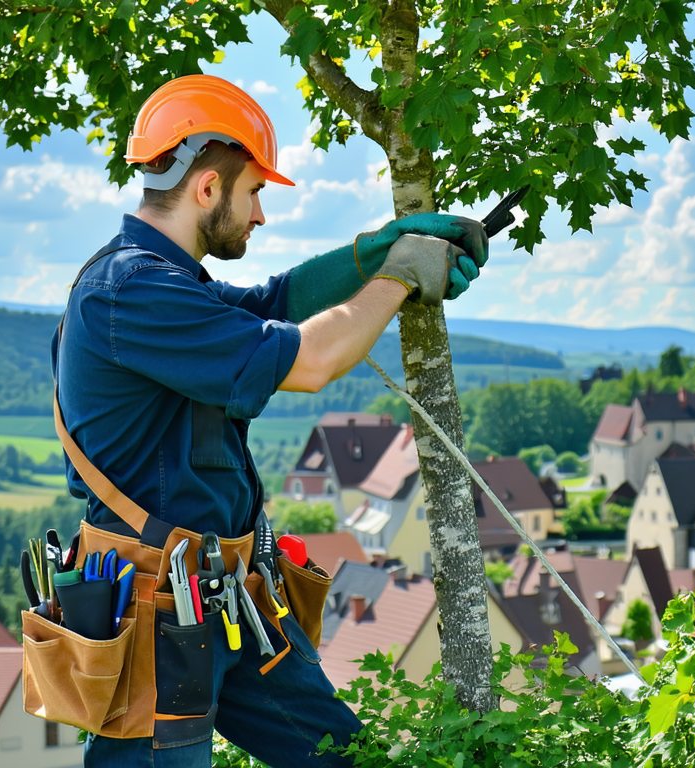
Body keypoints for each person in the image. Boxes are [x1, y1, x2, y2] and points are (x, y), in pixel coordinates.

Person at [52, 74, 487, 767]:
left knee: (344, 759)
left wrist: (380, 249)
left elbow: (275, 300)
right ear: (206, 188)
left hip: (227, 599)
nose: (260, 215)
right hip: (158, 615)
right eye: (253, 192)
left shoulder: (173, 284)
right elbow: (311, 359)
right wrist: (402, 275)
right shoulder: (130, 293)